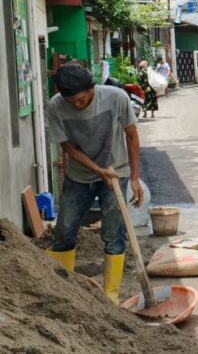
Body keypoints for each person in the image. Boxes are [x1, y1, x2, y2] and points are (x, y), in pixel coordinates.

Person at [45, 64, 144, 304]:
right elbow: (67, 147)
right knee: (64, 230)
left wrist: (134, 177)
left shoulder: (116, 98)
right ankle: (63, 293)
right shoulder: (55, 106)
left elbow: (132, 136)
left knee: (114, 233)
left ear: (92, 88)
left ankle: (111, 297)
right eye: (71, 102)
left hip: (116, 173)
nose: (76, 105)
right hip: (79, 176)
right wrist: (97, 170)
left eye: (81, 100)